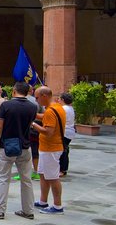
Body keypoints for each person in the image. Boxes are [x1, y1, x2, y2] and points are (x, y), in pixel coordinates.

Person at [0, 81, 38, 220]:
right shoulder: (33, 107)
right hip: (25, 146)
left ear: (14, 91)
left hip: (7, 146)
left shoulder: (6, 105)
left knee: (3, 178)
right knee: (26, 180)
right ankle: (28, 210)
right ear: (27, 92)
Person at [32, 86, 66, 214]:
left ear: (44, 96)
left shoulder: (51, 111)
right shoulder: (56, 108)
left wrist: (34, 125)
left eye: (37, 97)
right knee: (43, 175)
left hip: (51, 148)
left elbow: (48, 132)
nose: (36, 101)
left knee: (52, 177)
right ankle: (43, 201)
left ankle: (57, 206)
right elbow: (45, 116)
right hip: (47, 148)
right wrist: (34, 115)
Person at [59, 93, 76, 176]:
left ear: (62, 100)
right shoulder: (71, 108)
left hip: (65, 132)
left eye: (59, 99)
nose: (58, 100)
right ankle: (63, 169)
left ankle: (62, 169)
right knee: (65, 150)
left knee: (63, 151)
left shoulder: (64, 108)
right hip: (69, 132)